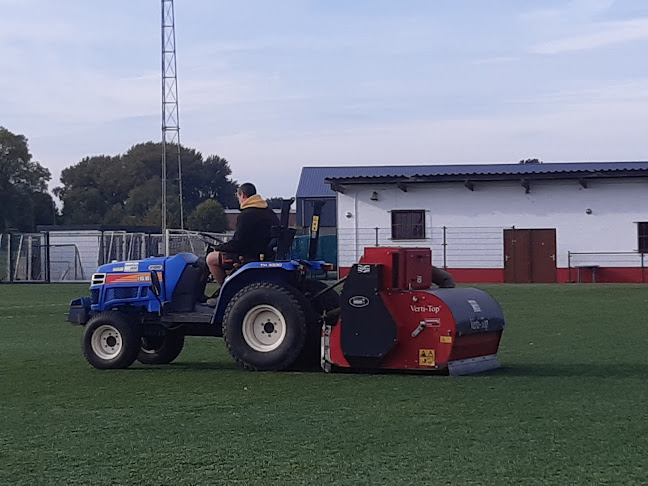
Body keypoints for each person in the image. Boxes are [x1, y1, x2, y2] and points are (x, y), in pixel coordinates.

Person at [206, 183, 280, 292]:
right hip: (264, 253)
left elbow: (238, 243)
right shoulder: (270, 213)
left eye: (239, 198)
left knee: (211, 259)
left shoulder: (246, 215)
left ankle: (226, 292)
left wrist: (218, 248)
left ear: (243, 195)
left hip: (249, 256)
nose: (239, 201)